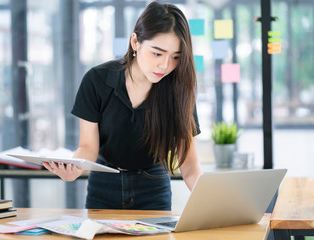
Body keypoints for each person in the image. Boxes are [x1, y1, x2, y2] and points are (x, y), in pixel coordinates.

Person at [43, 1, 202, 210]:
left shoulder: (178, 89)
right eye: (157, 53)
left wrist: (212, 205)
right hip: (104, 184)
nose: (165, 65)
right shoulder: (96, 81)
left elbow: (189, 166)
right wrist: (75, 168)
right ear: (135, 41)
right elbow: (88, 148)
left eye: (175, 57)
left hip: (153, 188)